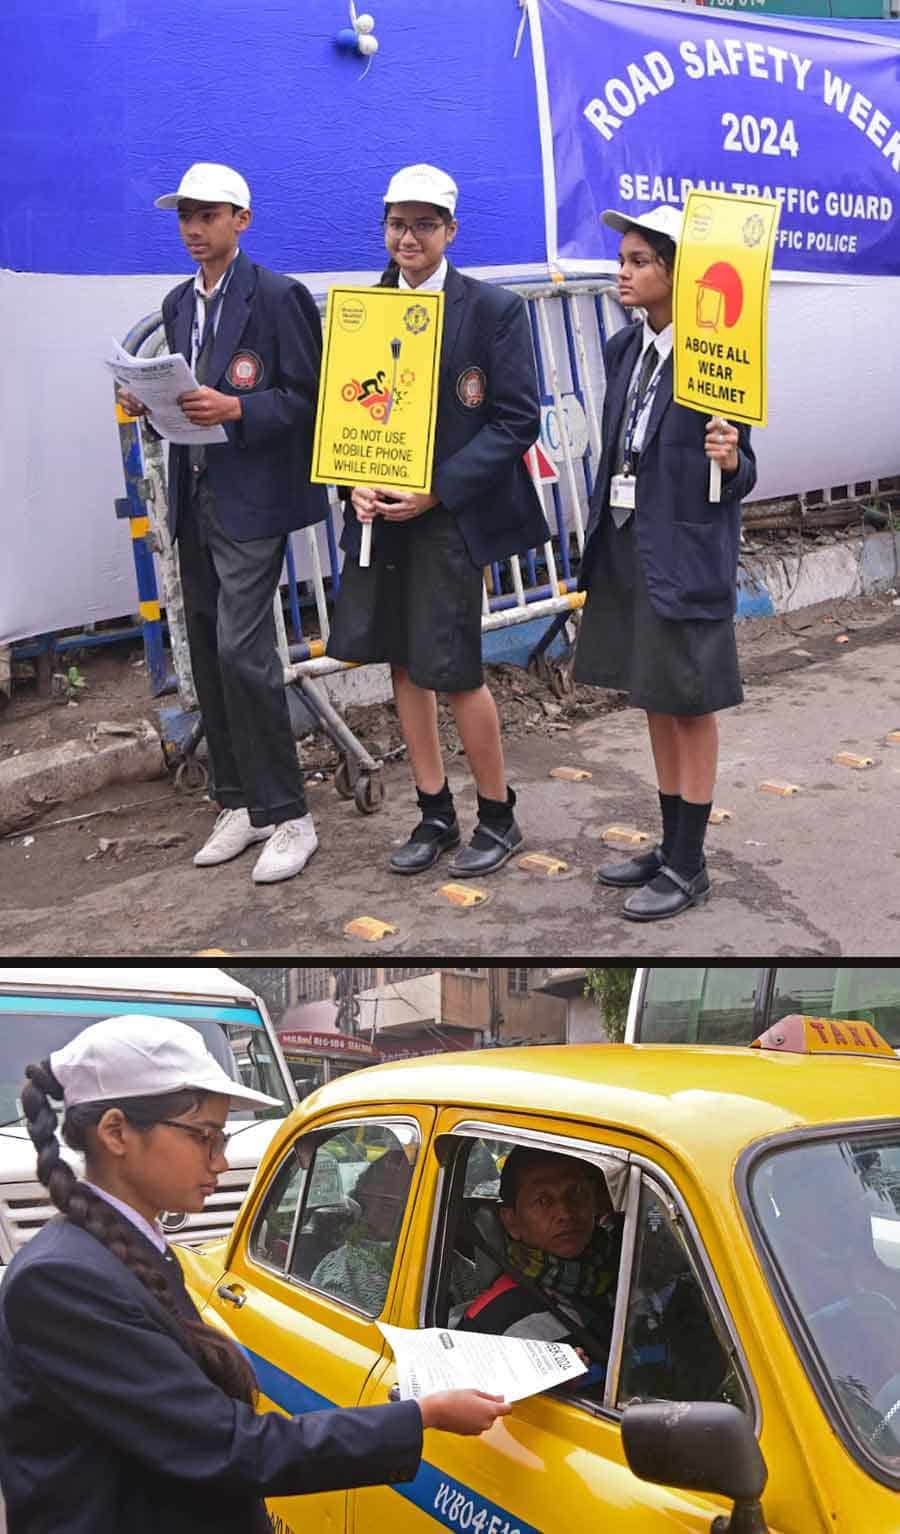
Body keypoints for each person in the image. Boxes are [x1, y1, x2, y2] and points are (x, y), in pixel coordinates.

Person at [0, 1016, 509, 1534]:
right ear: (116, 1132)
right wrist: (421, 1415)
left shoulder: (126, 1247)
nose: (220, 1161)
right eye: (204, 1136)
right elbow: (228, 1446)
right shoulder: (61, 1282)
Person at [326, 163, 550, 878]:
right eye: (398, 223)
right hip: (380, 519)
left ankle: (498, 814)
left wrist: (437, 490)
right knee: (401, 661)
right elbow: (347, 418)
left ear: (451, 231)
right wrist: (354, 483)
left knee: (453, 669)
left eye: (424, 224)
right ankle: (433, 812)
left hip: (449, 517)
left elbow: (516, 418)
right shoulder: (362, 311)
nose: (408, 236)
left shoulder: (492, 311)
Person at [118, 163, 327, 885]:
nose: (193, 230)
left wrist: (238, 408)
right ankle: (240, 801)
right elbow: (188, 395)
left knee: (244, 649)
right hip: (195, 495)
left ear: (241, 219)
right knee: (207, 651)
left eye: (207, 216)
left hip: (254, 498)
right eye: (185, 217)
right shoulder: (178, 303)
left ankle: (291, 812)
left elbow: (308, 397)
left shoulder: (277, 297)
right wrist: (155, 403)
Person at [574, 205, 757, 922]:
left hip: (686, 550)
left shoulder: (718, 355)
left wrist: (733, 457)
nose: (623, 272)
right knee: (653, 693)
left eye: (640, 261)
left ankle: (690, 863)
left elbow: (744, 473)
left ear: (678, 274)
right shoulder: (626, 350)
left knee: (690, 701)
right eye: (622, 259)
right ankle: (670, 841)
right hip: (627, 545)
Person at [458, 1148, 622, 1350]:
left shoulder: (635, 1273)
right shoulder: (491, 1323)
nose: (565, 1213)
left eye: (575, 1193)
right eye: (543, 1201)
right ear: (511, 1222)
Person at [310, 1148, 413, 1311]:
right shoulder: (342, 1270)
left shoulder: (443, 1258)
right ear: (362, 1202)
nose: (399, 1206)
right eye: (387, 1202)